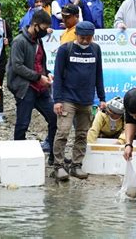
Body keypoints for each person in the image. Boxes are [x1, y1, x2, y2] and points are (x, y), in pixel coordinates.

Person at [53, 21, 106, 181]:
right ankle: (59, 166)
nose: (85, 41)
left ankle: (76, 165)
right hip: (68, 99)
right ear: (76, 35)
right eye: (82, 37)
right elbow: (57, 76)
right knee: (63, 132)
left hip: (87, 99)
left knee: (82, 134)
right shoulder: (65, 50)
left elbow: (99, 74)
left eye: (88, 38)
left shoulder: (96, 49)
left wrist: (102, 98)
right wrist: (57, 100)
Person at [7, 10, 57, 165]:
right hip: (25, 88)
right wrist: (38, 77)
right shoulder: (19, 41)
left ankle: (54, 157)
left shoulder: (38, 41)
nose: (45, 31)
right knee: (23, 123)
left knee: (54, 118)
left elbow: (41, 63)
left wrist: (47, 74)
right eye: (44, 27)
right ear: (35, 25)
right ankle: (18, 159)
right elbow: (17, 66)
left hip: (41, 88)